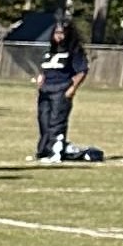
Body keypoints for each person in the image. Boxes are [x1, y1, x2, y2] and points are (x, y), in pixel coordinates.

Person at [33, 21, 90, 163]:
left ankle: (56, 152)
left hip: (61, 89)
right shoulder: (50, 51)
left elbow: (82, 71)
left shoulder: (74, 51)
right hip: (46, 90)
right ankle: (44, 150)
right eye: (56, 33)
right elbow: (45, 68)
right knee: (44, 121)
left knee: (56, 122)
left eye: (61, 33)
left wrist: (72, 88)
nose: (58, 36)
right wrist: (41, 76)